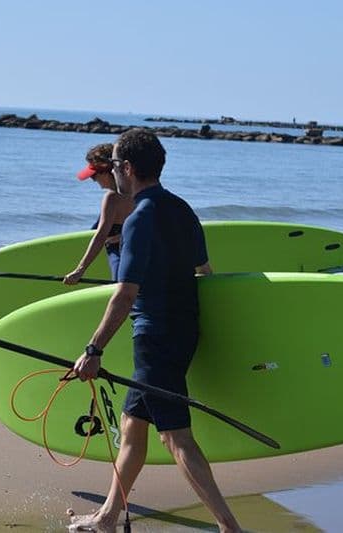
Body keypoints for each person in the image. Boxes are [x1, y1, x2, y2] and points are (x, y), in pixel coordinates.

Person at [69, 129, 241, 532]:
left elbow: (125, 294)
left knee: (176, 438)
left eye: (113, 165)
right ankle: (107, 518)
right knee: (132, 428)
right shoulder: (182, 208)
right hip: (181, 331)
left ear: (127, 168)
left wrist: (93, 350)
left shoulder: (139, 219)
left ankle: (229, 527)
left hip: (155, 337)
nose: (112, 171)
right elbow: (205, 272)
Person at [64, 143, 134, 285]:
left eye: (94, 176)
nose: (93, 180)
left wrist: (80, 270)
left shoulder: (112, 198)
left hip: (118, 255)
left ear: (106, 172)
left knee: (119, 287)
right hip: (136, 251)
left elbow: (101, 235)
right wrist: (126, 235)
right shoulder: (138, 191)